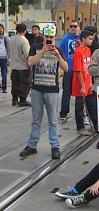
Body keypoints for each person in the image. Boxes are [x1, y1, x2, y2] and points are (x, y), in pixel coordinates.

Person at [19, 23, 68, 159]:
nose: (49, 39)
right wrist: (43, 51)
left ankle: (55, 146)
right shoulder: (35, 48)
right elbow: (30, 62)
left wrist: (58, 56)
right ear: (43, 35)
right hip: (37, 89)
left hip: (52, 89)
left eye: (51, 36)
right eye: (47, 36)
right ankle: (32, 145)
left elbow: (66, 68)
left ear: (55, 36)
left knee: (53, 120)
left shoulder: (58, 49)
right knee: (36, 120)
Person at [72, 30, 99, 136]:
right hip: (80, 84)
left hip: (88, 82)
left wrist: (91, 82)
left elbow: (90, 67)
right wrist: (83, 86)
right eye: (90, 39)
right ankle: (80, 127)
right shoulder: (78, 52)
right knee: (79, 106)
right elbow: (78, 70)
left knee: (92, 105)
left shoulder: (88, 50)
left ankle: (96, 126)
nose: (92, 41)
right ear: (83, 39)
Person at [59, 20, 80, 120]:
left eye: (75, 26)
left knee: (80, 93)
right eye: (71, 26)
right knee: (66, 91)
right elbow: (61, 53)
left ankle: (80, 114)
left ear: (78, 27)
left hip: (80, 70)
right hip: (69, 69)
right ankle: (64, 112)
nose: (73, 28)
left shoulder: (82, 38)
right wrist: (64, 65)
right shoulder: (65, 39)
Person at [10, 23, 31, 106]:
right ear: (25, 30)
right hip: (23, 66)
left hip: (14, 65)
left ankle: (14, 99)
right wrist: (30, 65)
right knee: (25, 83)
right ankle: (23, 99)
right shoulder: (24, 40)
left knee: (15, 83)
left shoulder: (12, 39)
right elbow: (27, 54)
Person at [0, 23, 10, 93]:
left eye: (1, 28)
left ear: (3, 29)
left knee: (4, 73)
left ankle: (4, 88)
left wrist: (8, 58)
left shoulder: (6, 37)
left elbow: (8, 48)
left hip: (3, 58)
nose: (0, 29)